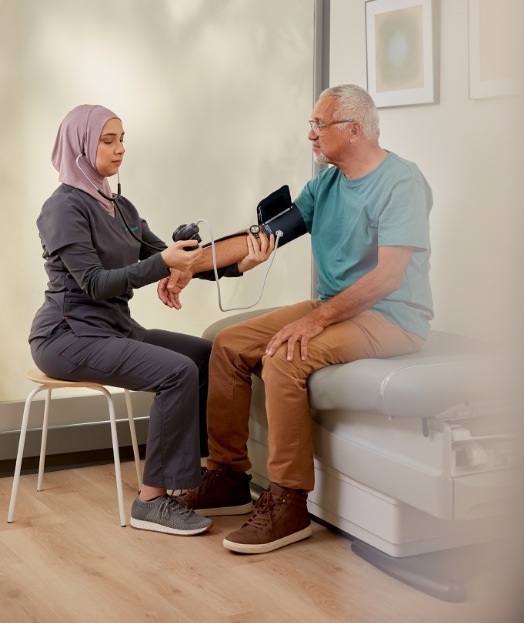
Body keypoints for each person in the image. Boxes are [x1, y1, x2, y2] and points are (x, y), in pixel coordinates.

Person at [174, 84, 434, 553]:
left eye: (319, 125)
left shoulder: (402, 183)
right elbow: (262, 236)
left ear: (353, 130)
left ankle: (289, 502)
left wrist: (315, 322)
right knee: (230, 345)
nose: (310, 135)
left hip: (392, 317)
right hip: (337, 307)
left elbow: (389, 277)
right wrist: (185, 267)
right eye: (311, 125)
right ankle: (229, 476)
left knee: (285, 356)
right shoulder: (326, 184)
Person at [29, 104, 273, 537]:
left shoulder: (119, 206)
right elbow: (93, 283)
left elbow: (183, 261)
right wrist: (161, 263)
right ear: (81, 145)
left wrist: (240, 262)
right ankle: (152, 500)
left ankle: (206, 476)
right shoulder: (62, 208)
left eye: (123, 139)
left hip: (116, 329)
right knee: (176, 372)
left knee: (205, 355)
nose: (121, 149)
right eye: (109, 140)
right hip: (68, 336)